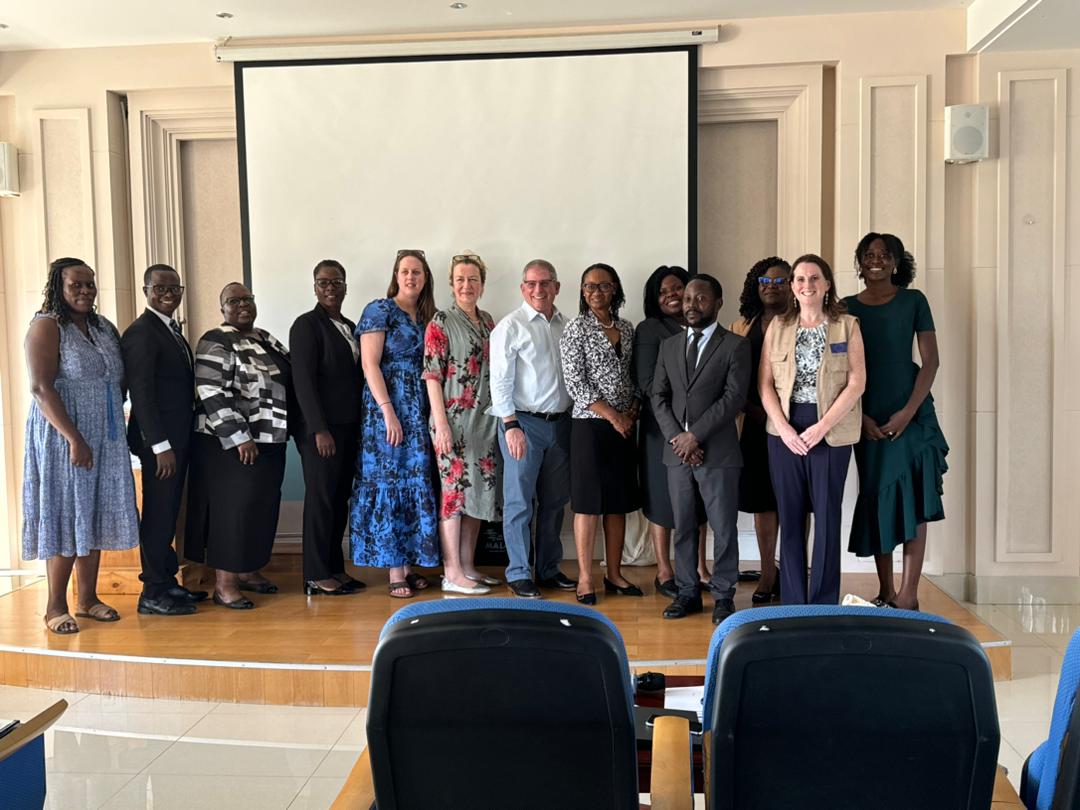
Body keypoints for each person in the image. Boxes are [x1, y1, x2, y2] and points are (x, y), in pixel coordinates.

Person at [23, 257, 139, 634]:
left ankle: (88, 599)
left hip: (105, 433)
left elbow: (116, 380)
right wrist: (74, 437)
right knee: (66, 511)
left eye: (90, 284)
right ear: (59, 287)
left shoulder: (103, 327)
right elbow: (41, 388)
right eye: (77, 285)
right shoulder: (46, 326)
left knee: (94, 510)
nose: (86, 291)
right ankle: (55, 606)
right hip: (64, 435)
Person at [845, 233, 948, 611]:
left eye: (884, 255)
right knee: (876, 497)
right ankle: (885, 591)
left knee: (914, 499)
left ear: (896, 261)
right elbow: (838, 371)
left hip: (912, 411)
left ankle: (908, 595)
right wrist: (860, 418)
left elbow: (931, 361)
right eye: (868, 255)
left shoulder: (914, 300)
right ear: (859, 261)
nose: (875, 260)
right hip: (865, 412)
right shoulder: (845, 307)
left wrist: (907, 412)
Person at [760, 254, 866, 605]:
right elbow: (764, 386)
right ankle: (792, 602)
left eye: (814, 278)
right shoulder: (777, 327)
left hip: (831, 431)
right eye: (800, 279)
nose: (807, 285)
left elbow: (856, 382)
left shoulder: (847, 326)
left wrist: (821, 427)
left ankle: (822, 602)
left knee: (827, 516)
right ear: (792, 286)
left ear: (827, 284)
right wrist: (784, 429)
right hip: (784, 431)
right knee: (789, 518)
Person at [186, 283, 293, 609]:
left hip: (270, 437)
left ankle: (249, 571)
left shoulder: (264, 337)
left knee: (260, 509)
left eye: (247, 299)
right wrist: (238, 436)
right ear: (223, 308)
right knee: (232, 512)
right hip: (232, 445)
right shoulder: (216, 340)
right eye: (234, 301)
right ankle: (225, 584)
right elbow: (210, 391)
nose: (242, 305)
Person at [652, 274, 750, 625]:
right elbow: (658, 397)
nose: (692, 305)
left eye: (701, 299)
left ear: (718, 303)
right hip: (677, 454)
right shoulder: (669, 346)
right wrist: (680, 439)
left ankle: (723, 596)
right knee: (684, 526)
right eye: (688, 299)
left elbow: (734, 398)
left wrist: (696, 436)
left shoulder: (736, 346)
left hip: (719, 454)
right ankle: (688, 593)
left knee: (724, 528)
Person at [349, 250, 439, 598]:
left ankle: (411, 561)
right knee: (390, 479)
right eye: (405, 271)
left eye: (417, 272)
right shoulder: (380, 309)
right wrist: (388, 410)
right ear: (396, 275)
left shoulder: (427, 316)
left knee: (415, 479)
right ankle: (394, 569)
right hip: (387, 408)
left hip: (419, 408)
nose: (411, 277)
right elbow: (370, 365)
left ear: (425, 277)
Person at [122, 264, 208, 616]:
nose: (168, 293)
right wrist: (160, 446)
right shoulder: (141, 332)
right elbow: (141, 394)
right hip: (161, 445)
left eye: (174, 287)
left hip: (177, 438)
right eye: (160, 288)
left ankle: (168, 582)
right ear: (146, 291)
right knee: (158, 513)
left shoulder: (169, 329)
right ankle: (152, 591)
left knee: (169, 510)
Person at [489, 259, 578, 598]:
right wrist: (510, 425)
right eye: (531, 283)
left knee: (555, 502)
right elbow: (499, 381)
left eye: (546, 283)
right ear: (522, 288)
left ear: (557, 287)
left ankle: (548, 569)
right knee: (519, 503)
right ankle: (518, 572)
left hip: (561, 424)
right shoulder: (510, 327)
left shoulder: (566, 326)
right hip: (522, 424)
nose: (538, 289)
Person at [560, 263, 642, 604]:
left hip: (624, 425)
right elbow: (575, 382)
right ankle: (584, 578)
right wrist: (613, 416)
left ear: (615, 290)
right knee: (589, 504)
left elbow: (635, 375)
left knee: (618, 503)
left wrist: (632, 411)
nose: (596, 291)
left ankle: (614, 573)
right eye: (589, 286)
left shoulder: (628, 327)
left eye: (604, 286)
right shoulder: (575, 329)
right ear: (582, 291)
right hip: (590, 425)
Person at [423, 252, 500, 596]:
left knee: (478, 494)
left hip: (484, 422)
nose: (466, 285)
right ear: (451, 284)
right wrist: (440, 423)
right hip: (451, 421)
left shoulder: (488, 321)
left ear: (482, 284)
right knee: (454, 495)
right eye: (460, 280)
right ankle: (451, 571)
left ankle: (468, 566)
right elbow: (432, 375)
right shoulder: (440, 321)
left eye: (472, 279)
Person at [289, 259, 366, 596]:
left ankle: (336, 567)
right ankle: (316, 574)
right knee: (321, 499)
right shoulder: (306, 325)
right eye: (323, 282)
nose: (330, 288)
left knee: (338, 499)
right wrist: (319, 429)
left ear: (346, 285)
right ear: (314, 287)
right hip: (321, 431)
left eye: (336, 281)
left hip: (349, 427)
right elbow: (302, 382)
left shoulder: (350, 326)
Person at [633, 265, 711, 597]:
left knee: (700, 499)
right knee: (662, 497)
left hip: (703, 428)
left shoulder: (706, 327)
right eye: (662, 292)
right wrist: (678, 429)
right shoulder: (651, 329)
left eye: (676, 288)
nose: (671, 296)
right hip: (661, 428)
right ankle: (665, 570)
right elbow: (649, 384)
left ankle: (698, 567)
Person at [729, 257, 791, 604]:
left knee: (794, 499)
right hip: (751, 423)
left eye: (780, 281)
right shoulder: (741, 326)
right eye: (765, 281)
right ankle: (769, 571)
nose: (772, 286)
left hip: (793, 425)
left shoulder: (802, 323)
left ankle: (795, 569)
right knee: (762, 501)